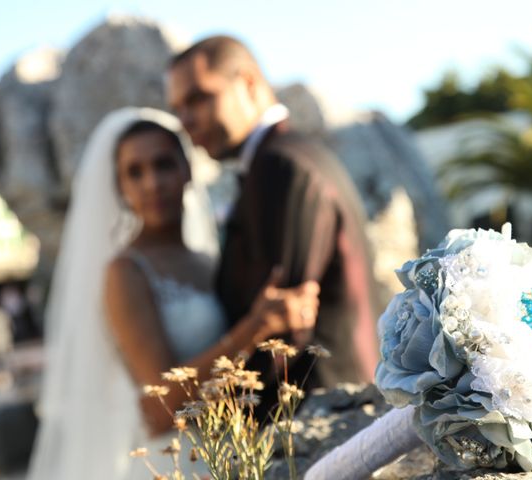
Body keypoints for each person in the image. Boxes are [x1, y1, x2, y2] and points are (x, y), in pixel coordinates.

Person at [27, 107, 320, 479]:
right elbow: (158, 407)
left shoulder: (208, 259)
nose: (153, 183)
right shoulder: (125, 272)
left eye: (163, 164)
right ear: (120, 187)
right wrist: (255, 326)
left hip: (235, 450)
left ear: (187, 170)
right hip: (175, 462)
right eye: (135, 172)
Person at [167, 35, 381, 417]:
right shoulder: (288, 156)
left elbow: (286, 325)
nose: (185, 121)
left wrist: (230, 421)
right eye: (178, 108)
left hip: (319, 415)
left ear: (248, 83)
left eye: (198, 98)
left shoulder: (281, 166)